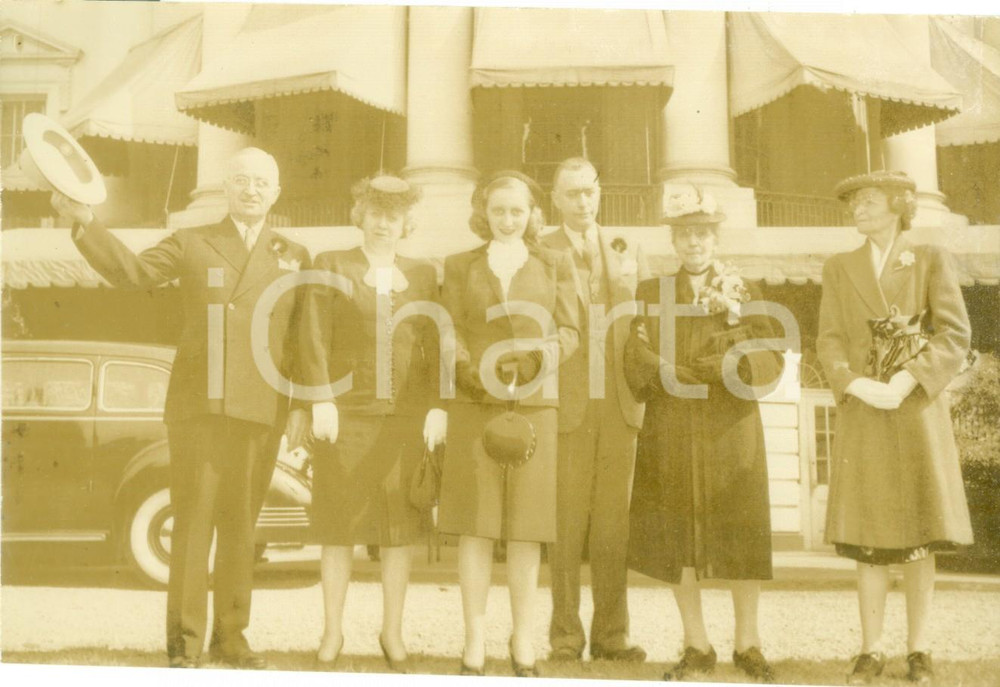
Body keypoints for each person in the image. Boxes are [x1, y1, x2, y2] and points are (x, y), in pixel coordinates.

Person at [51, 147, 310, 669]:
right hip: (199, 408)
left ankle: (231, 639)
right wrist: (86, 223)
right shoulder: (191, 241)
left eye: (262, 182)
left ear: (277, 193)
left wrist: (303, 404)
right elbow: (133, 272)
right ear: (226, 188)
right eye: (242, 180)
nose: (252, 190)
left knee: (242, 527)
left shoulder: (296, 254)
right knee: (192, 524)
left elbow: (302, 335)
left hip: (261, 408)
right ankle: (185, 643)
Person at [817, 171, 973, 685]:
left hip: (915, 410)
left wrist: (910, 378)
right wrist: (854, 383)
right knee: (868, 532)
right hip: (865, 413)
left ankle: (919, 650)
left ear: (898, 205)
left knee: (919, 535)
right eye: (853, 202)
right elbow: (829, 338)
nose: (857, 208)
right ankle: (871, 649)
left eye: (868, 200)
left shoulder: (929, 258)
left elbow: (954, 335)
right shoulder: (839, 267)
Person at [623, 189, 783, 683]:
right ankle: (696, 644)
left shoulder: (746, 290)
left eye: (702, 234)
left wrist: (727, 364)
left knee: (741, 530)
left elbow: (770, 356)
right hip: (671, 424)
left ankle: (748, 642)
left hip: (729, 427)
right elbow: (635, 352)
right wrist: (668, 373)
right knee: (676, 536)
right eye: (685, 234)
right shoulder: (651, 293)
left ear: (716, 239)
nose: (694, 243)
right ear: (673, 241)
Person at [297, 174, 442, 673]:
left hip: (403, 420)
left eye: (393, 216)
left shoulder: (422, 274)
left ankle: (392, 632)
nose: (384, 223)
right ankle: (332, 631)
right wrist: (320, 398)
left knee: (398, 533)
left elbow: (433, 344)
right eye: (376, 213)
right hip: (346, 415)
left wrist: (436, 406)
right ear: (361, 215)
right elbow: (312, 335)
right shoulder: (332, 264)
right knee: (339, 528)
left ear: (406, 223)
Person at [437, 170, 580, 677]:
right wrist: (466, 371)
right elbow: (449, 328)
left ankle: (523, 639)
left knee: (525, 529)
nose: (507, 219)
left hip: (534, 405)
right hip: (476, 402)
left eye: (517, 210)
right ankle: (474, 640)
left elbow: (570, 330)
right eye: (498, 210)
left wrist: (540, 357)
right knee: (476, 527)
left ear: (532, 214)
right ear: (484, 213)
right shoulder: (460, 264)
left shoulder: (555, 261)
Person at [540, 157, 649, 663]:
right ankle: (565, 636)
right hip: (567, 405)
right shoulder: (542, 249)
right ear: (555, 199)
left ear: (599, 192)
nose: (583, 201)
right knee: (564, 526)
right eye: (572, 193)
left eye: (589, 191)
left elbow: (645, 321)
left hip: (620, 405)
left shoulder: (627, 248)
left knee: (613, 526)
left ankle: (612, 635)